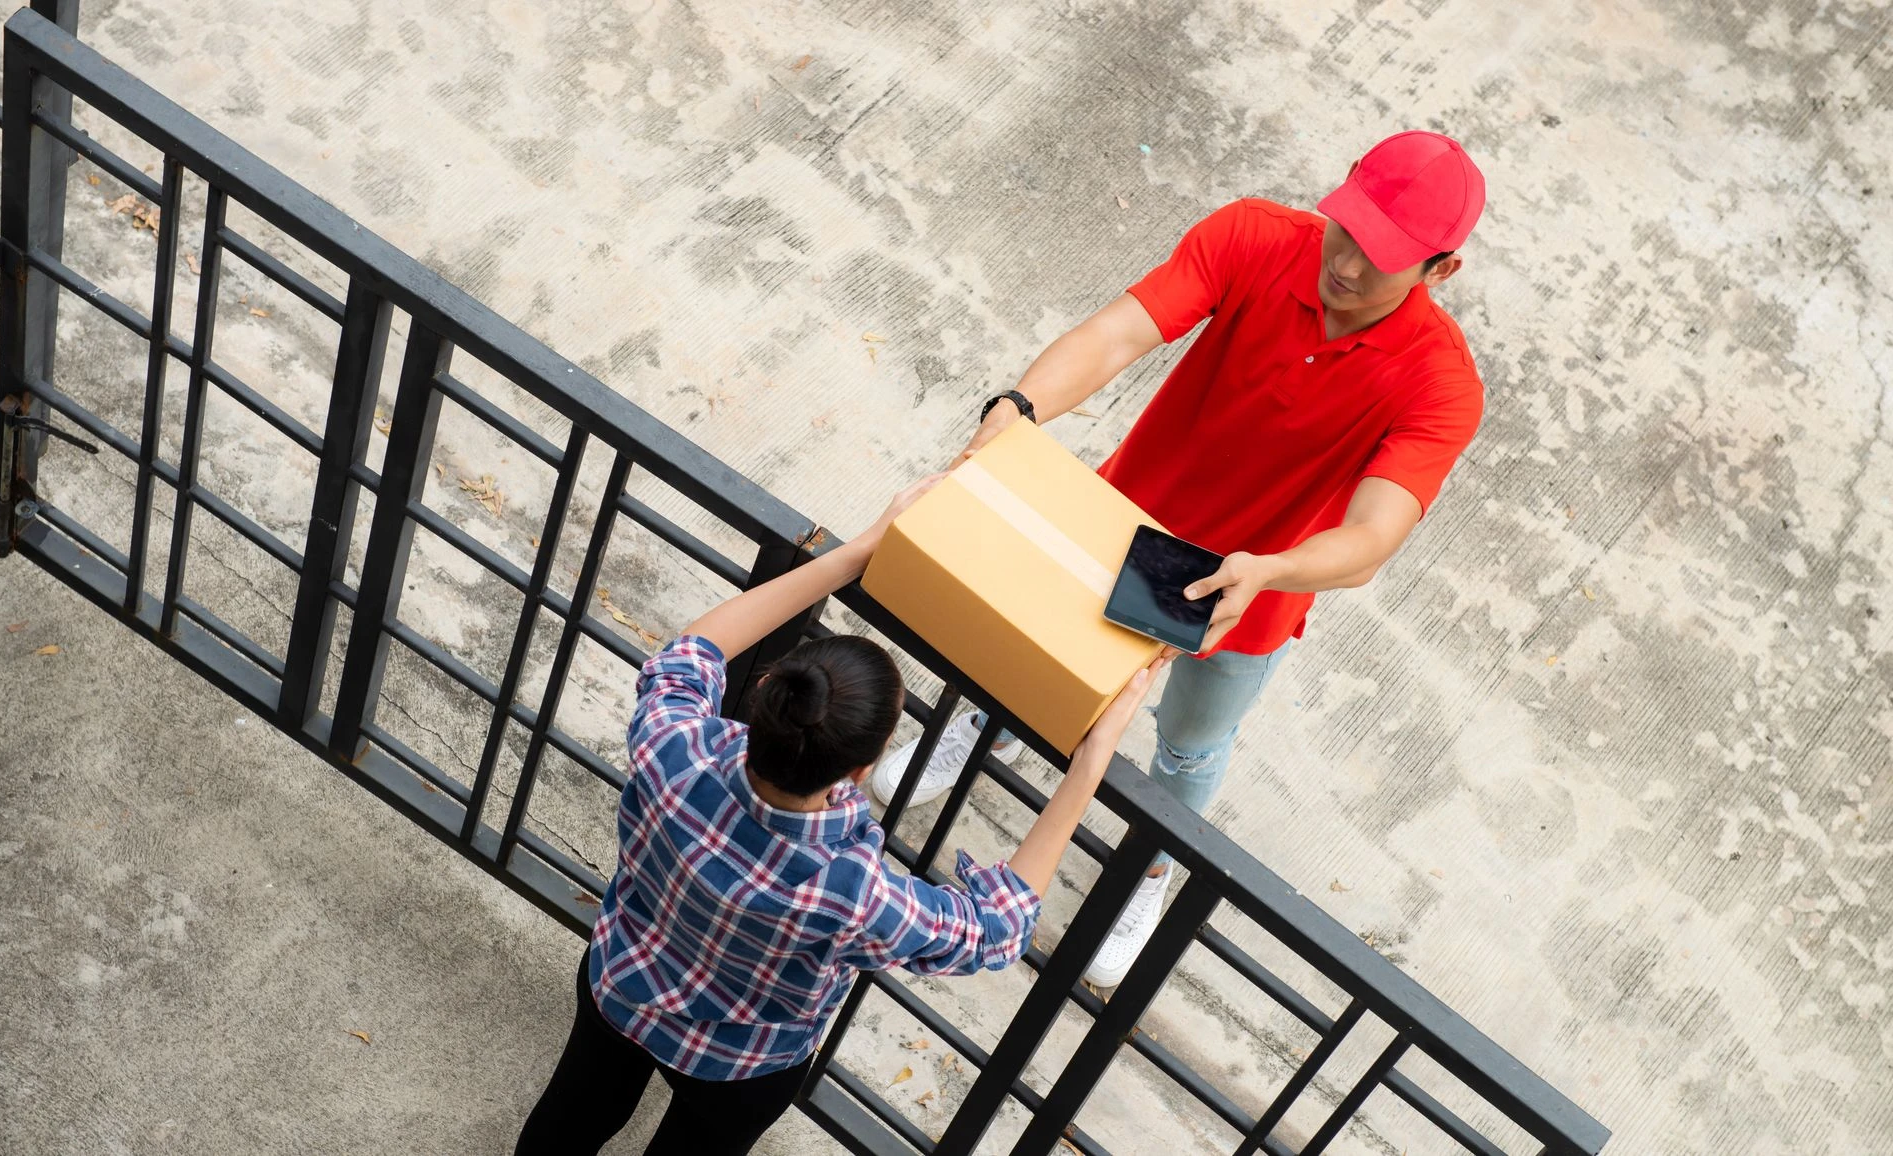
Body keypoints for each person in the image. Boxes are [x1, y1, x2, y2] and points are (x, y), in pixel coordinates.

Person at [871, 130, 1489, 989]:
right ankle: (992, 728)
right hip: (1125, 522)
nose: (1345, 264)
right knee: (1038, 657)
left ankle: (1149, 871)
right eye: (1346, 229)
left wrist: (1268, 571)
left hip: (1250, 593)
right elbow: (1121, 333)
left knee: (1191, 746)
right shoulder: (1255, 236)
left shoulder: (1440, 383)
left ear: (1440, 271)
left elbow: (1372, 539)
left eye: (1381, 257)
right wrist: (1020, 404)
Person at [515, 476, 1166, 1156]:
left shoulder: (674, 749)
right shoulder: (854, 892)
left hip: (623, 987)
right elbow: (995, 932)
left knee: (570, 1119)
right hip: (746, 1063)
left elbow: (692, 652)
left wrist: (854, 553)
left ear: (769, 689)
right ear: (861, 770)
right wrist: (1088, 764)